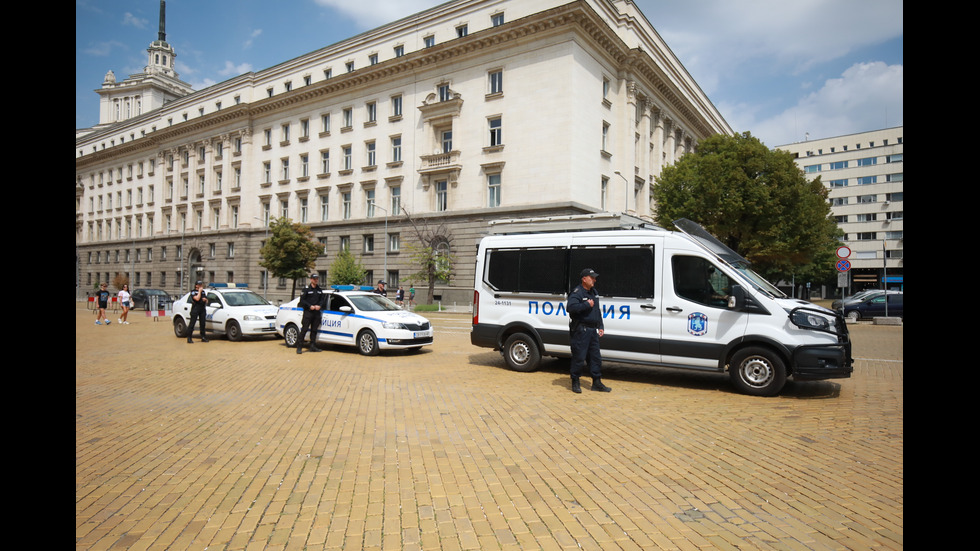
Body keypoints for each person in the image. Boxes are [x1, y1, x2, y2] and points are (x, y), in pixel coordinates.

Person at [566, 268, 610, 393]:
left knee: (595, 357)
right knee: (579, 357)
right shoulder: (577, 292)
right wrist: (586, 305)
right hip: (581, 330)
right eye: (592, 278)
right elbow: (570, 307)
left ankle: (597, 382)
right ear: (584, 279)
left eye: (595, 278)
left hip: (592, 330)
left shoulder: (593, 292)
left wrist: (600, 326)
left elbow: (597, 311)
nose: (594, 280)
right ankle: (575, 381)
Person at [296, 273, 326, 354]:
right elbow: (302, 300)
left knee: (314, 330)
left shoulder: (319, 290)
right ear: (311, 279)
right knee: (304, 329)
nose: (316, 280)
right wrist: (310, 306)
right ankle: (299, 347)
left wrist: (319, 305)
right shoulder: (306, 289)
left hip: (316, 313)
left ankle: (312, 346)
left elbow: (322, 300)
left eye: (317, 279)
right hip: (308, 312)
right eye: (314, 279)